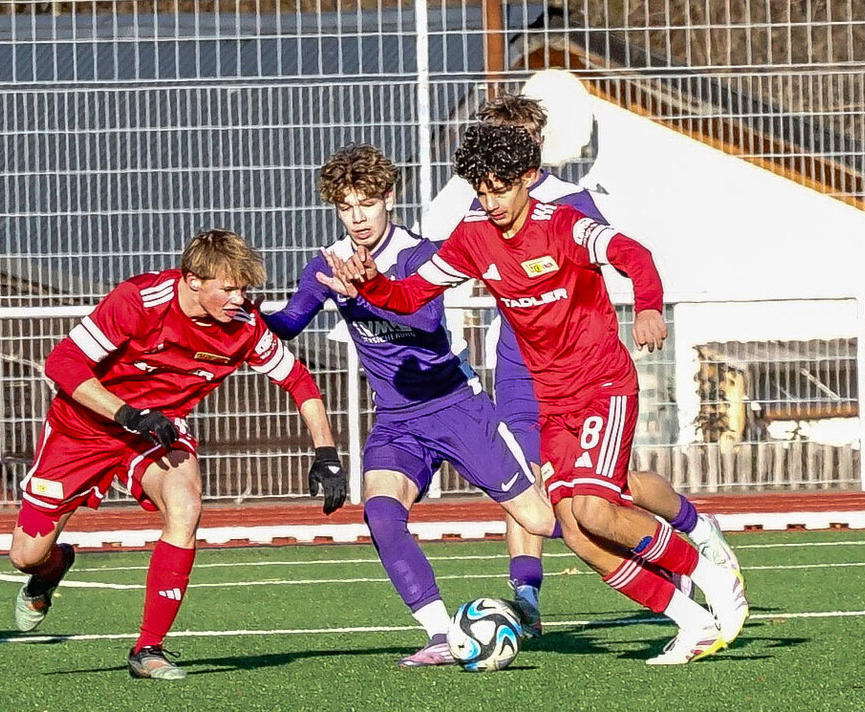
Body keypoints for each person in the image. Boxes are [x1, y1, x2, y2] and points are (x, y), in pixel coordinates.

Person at [321, 123, 748, 664]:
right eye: (480, 189)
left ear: (528, 178)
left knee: (593, 509)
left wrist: (646, 307)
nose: (489, 200)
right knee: (574, 528)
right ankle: (691, 623)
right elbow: (411, 293)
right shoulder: (474, 237)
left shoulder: (565, 225)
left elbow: (633, 254)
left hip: (601, 384)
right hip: (551, 400)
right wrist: (371, 285)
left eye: (499, 187)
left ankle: (712, 576)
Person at [263, 144, 558, 666]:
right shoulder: (328, 265)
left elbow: (423, 324)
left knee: (541, 520)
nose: (357, 218)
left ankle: (649, 546)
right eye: (346, 206)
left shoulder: (420, 254)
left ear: (390, 199)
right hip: (398, 421)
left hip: (457, 408)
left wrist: (364, 295)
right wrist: (241, 314)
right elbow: (289, 324)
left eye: (366, 203)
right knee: (380, 512)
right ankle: (444, 634)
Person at [7, 229, 347, 681]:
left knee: (186, 506)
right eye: (228, 288)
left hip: (156, 432)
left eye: (245, 288)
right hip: (82, 430)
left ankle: (148, 649)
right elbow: (62, 365)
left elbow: (299, 382)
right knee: (26, 556)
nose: (239, 299)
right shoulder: (138, 300)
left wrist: (326, 452)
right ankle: (51, 570)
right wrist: (127, 413)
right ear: (191, 281)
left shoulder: (244, 326)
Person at [472, 94, 742, 611]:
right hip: (516, 366)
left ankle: (691, 524)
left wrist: (645, 307)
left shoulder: (570, 202)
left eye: (513, 144)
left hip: (578, 369)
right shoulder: (482, 204)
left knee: (608, 493)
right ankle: (526, 594)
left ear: (535, 147)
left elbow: (622, 255)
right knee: (522, 480)